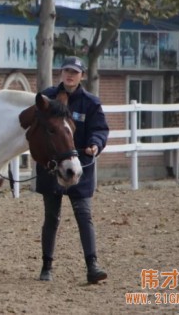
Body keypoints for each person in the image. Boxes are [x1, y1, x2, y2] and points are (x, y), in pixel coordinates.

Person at [36, 56, 109, 284]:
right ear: (61, 73)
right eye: (67, 71)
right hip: (53, 167)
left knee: (84, 215)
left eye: (75, 72)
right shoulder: (46, 98)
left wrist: (95, 144)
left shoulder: (91, 103)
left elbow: (100, 129)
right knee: (51, 217)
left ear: (82, 76)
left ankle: (92, 265)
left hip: (80, 167)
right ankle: (47, 266)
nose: (70, 75)